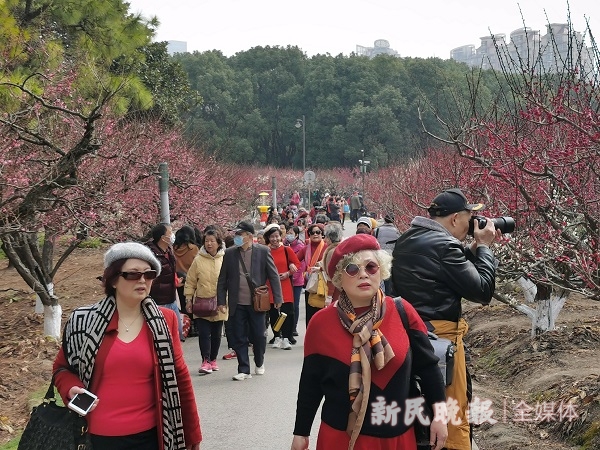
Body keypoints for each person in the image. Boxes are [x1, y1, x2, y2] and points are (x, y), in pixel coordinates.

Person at [291, 234, 447, 450]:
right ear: (339, 278)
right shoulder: (321, 323)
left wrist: (440, 416)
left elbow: (429, 368)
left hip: (398, 438)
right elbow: (310, 382)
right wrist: (301, 432)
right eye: (352, 269)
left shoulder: (403, 312)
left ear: (380, 271)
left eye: (371, 267)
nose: (363, 274)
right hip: (341, 438)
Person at [53, 242, 202, 450]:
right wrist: (71, 389)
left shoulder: (165, 320)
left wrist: (192, 432)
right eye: (133, 274)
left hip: (152, 437)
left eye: (148, 274)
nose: (142, 280)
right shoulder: (84, 321)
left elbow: (180, 376)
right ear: (113, 279)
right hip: (96, 439)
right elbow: (61, 369)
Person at [391, 188, 500, 450]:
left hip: (411, 335)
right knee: (453, 415)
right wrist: (484, 248)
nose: (472, 224)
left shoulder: (407, 239)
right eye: (469, 217)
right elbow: (482, 291)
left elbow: (440, 276)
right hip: (443, 341)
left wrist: (470, 250)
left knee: (421, 413)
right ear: (454, 219)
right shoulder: (445, 245)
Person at [216, 221, 283, 380]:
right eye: (236, 235)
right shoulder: (230, 253)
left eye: (240, 235)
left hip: (257, 302)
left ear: (250, 236)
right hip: (236, 302)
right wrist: (220, 301)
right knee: (239, 336)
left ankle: (259, 361)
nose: (237, 237)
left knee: (259, 335)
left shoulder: (262, 251)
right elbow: (222, 279)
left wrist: (278, 297)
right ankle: (243, 369)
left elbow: (273, 275)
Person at [184, 227, 227, 375]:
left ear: (218, 243)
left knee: (216, 333)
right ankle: (205, 360)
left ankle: (213, 360)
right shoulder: (198, 260)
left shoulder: (225, 259)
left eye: (212, 241)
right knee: (203, 333)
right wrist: (188, 299)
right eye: (206, 241)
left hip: (220, 302)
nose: (209, 244)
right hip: (202, 302)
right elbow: (190, 281)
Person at [263, 223, 301, 349]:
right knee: (273, 313)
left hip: (285, 284)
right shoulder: (265, 251)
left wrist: (289, 272)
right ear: (268, 238)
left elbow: (297, 264)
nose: (274, 239)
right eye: (272, 237)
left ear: (281, 236)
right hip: (270, 285)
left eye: (277, 236)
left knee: (287, 312)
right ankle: (277, 336)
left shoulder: (286, 250)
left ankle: (286, 338)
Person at [146, 223, 184, 341]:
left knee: (178, 332)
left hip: (171, 299)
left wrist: (175, 281)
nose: (173, 235)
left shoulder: (168, 251)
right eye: (170, 232)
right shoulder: (151, 254)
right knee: (162, 336)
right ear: (163, 237)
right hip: (158, 301)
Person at [296, 223, 328, 326]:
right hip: (310, 284)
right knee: (310, 314)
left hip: (324, 285)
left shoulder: (327, 248)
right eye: (312, 233)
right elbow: (295, 260)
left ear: (322, 234)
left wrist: (320, 268)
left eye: (318, 232)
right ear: (309, 235)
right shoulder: (305, 249)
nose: (315, 234)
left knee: (323, 313)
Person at [173, 225, 201, 335]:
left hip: (178, 281)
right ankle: (195, 327)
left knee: (182, 305)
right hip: (191, 281)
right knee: (192, 304)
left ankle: (186, 327)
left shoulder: (173, 249)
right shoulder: (193, 248)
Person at [373, 214, 401, 295]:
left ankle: (381, 293)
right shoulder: (397, 231)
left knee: (382, 275)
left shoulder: (377, 230)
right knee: (389, 276)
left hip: (380, 255)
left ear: (384, 220)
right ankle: (388, 294)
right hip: (392, 255)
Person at [286, 225, 305, 336]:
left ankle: (293, 327)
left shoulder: (300, 247)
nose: (289, 234)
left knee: (294, 305)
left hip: (296, 280)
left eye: (292, 233)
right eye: (288, 232)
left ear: (297, 235)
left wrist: (292, 276)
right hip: (285, 279)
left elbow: (300, 266)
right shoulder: (284, 245)